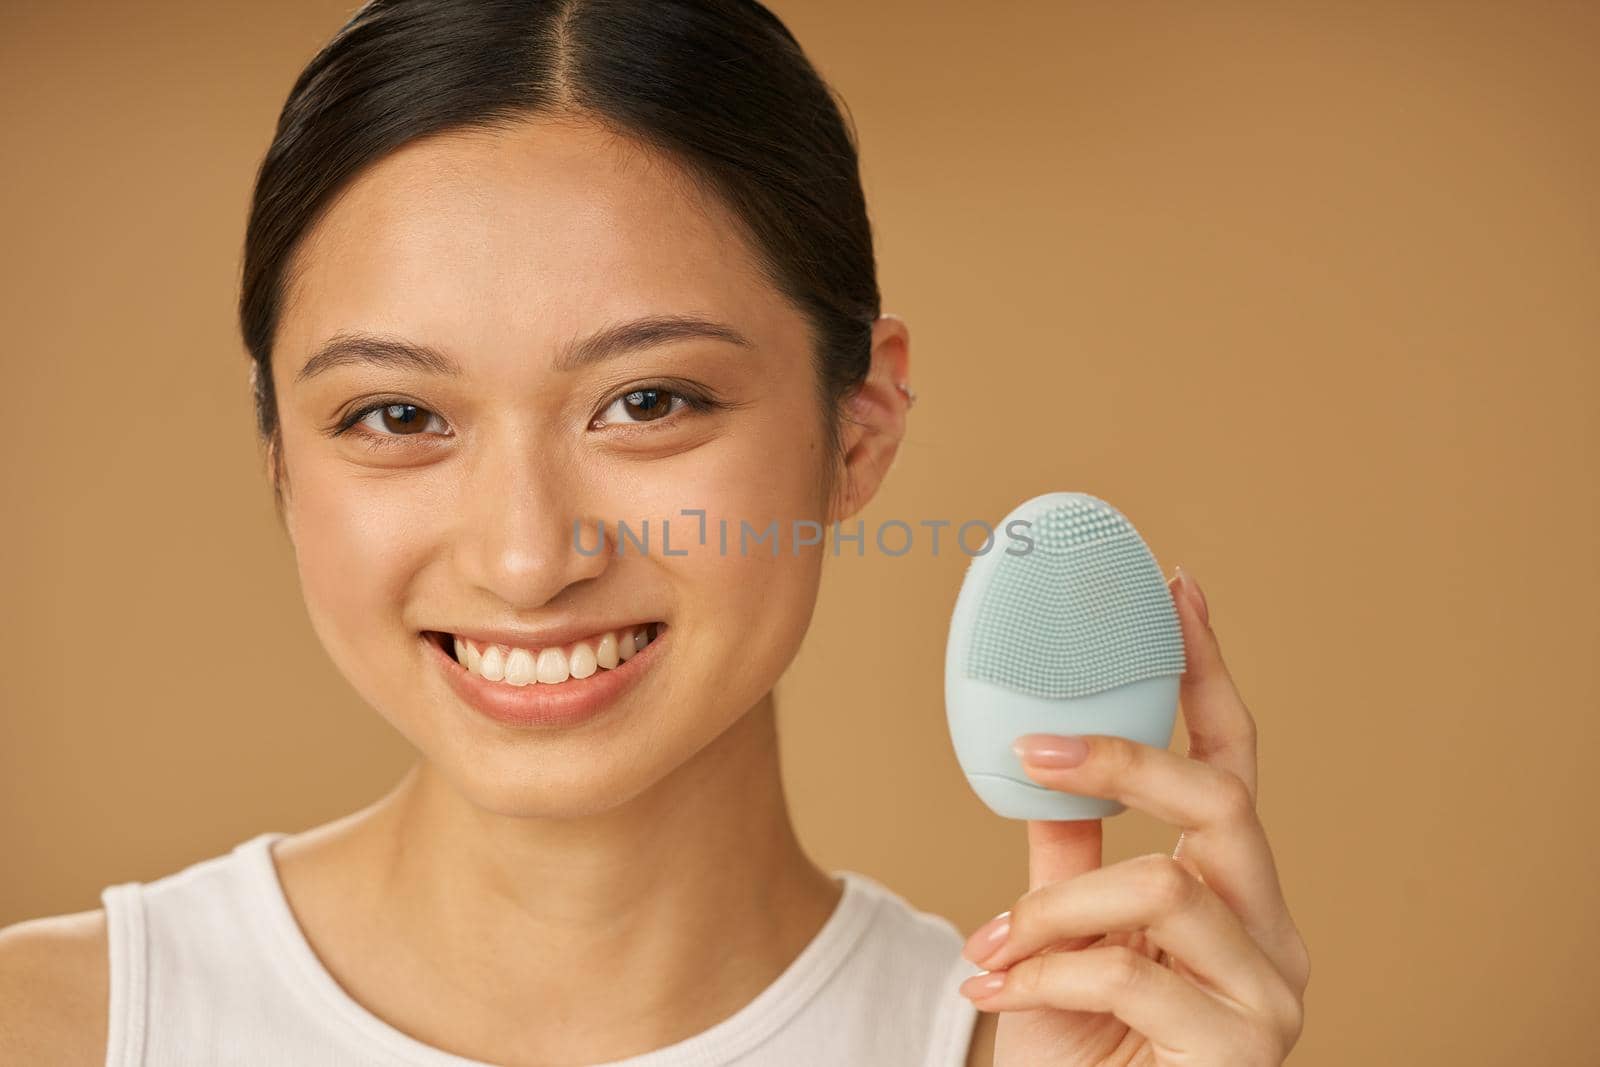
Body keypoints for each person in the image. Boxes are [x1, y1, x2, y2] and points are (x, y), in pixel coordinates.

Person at [0, 2, 1308, 1064]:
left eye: (648, 401)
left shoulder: (1060, 1052)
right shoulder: (47, 1030)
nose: (525, 559)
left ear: (860, 423)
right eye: (398, 413)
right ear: (276, 444)